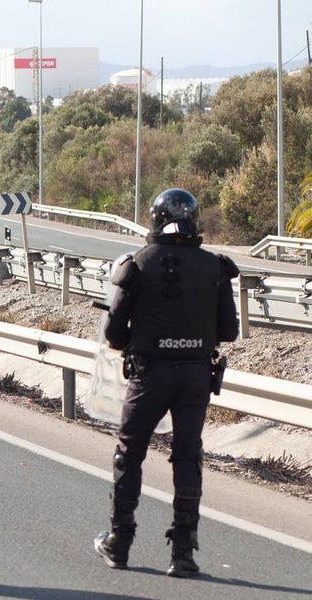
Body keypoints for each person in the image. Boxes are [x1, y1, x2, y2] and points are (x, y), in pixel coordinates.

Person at [94, 188, 239, 578]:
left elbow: (113, 333)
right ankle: (183, 554)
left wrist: (143, 335)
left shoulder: (137, 264)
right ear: (195, 220)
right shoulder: (216, 267)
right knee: (188, 457)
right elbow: (229, 330)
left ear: (155, 220)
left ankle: (119, 543)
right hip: (195, 376)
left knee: (131, 453)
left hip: (150, 374)